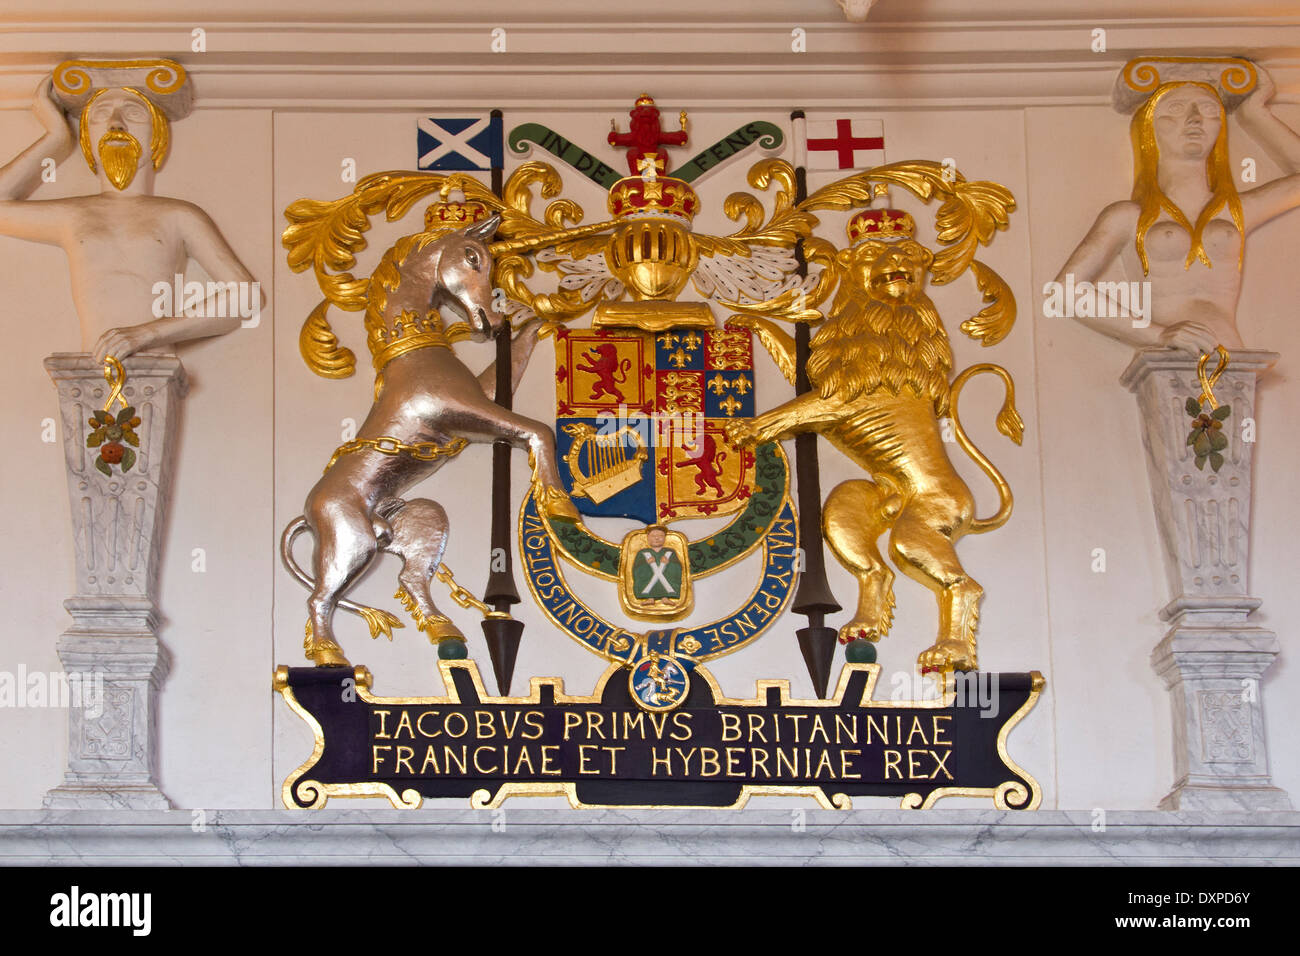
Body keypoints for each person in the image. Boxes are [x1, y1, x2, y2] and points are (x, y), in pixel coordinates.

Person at [0, 74, 261, 364]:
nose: (115, 124)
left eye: (134, 114)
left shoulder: (178, 215)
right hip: (89, 371)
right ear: (88, 140)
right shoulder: (72, 215)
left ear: (156, 138)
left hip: (155, 368)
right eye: (100, 115)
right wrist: (57, 138)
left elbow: (245, 298)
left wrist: (147, 334)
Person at [1054, 66, 1300, 354]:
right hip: (1167, 361)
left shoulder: (1236, 211)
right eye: (1177, 108)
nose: (1195, 119)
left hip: (1233, 355)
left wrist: (1255, 115)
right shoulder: (1128, 217)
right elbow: (1066, 292)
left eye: (1209, 110)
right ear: (1150, 126)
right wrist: (1158, 335)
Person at [632, 525, 683, 604]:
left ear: (665, 538)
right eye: (653, 536)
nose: (657, 538)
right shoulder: (643, 553)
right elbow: (636, 570)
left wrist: (669, 564)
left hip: (666, 579)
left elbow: (678, 569)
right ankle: (649, 597)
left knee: (668, 577)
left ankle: (665, 597)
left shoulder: (669, 552)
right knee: (645, 577)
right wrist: (646, 564)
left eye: (660, 536)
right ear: (648, 538)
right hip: (647, 580)